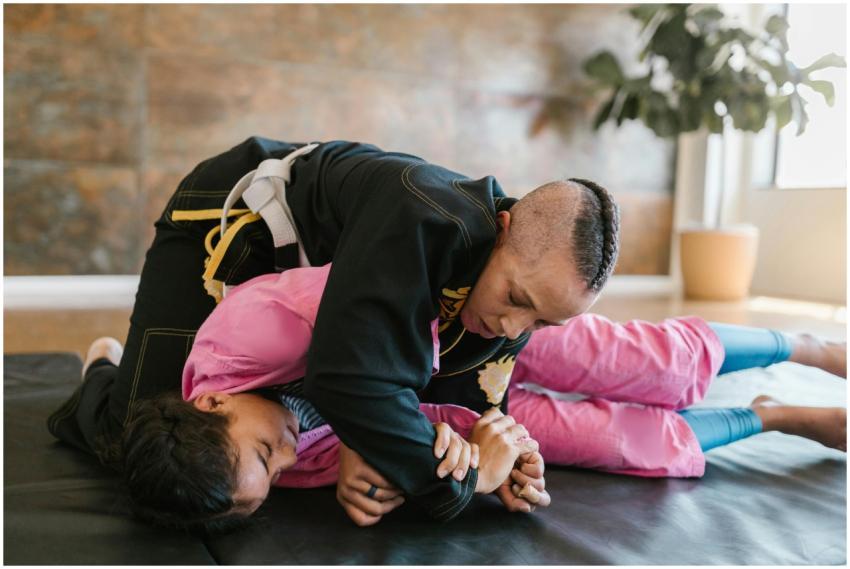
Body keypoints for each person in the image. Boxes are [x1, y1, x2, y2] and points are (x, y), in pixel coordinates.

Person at [48, 136, 620, 522]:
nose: (511, 326)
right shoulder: (418, 221)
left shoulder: (517, 283)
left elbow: (455, 414)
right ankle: (104, 368)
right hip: (234, 218)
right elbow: (349, 383)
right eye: (517, 300)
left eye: (542, 322)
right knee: (135, 434)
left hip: (296, 305)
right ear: (500, 229)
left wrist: (504, 461)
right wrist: (456, 481)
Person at [95, 263, 845, 531]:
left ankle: (802, 344)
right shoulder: (254, 468)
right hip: (469, 408)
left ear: (213, 403)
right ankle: (770, 416)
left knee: (647, 363)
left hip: (475, 330)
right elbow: (425, 447)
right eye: (276, 479)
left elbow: (381, 307)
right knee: (618, 444)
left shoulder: (250, 333)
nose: (289, 457)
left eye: (268, 448)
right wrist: (484, 464)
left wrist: (363, 429)